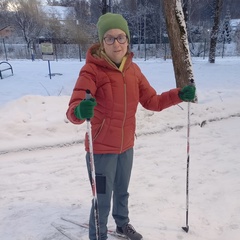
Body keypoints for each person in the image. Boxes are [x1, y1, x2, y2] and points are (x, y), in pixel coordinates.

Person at [66, 13, 195, 240]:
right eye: (109, 38)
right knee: (102, 198)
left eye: (121, 37)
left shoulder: (133, 71)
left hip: (126, 146)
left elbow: (152, 101)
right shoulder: (91, 71)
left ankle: (122, 224)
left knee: (122, 191)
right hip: (101, 150)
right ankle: (98, 235)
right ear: (101, 43)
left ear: (127, 40)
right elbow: (73, 109)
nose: (116, 43)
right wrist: (79, 111)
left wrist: (179, 95)